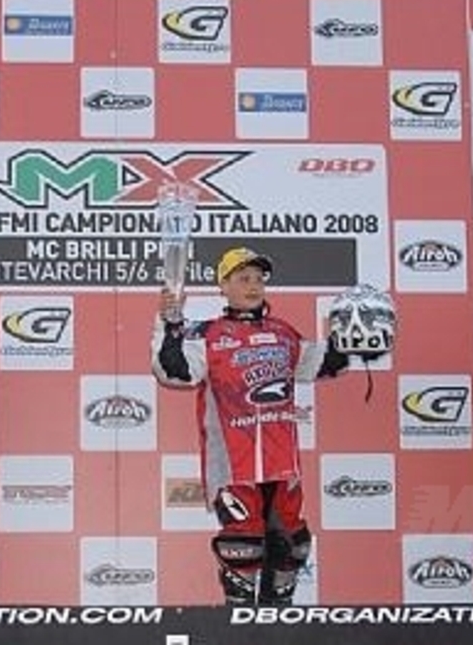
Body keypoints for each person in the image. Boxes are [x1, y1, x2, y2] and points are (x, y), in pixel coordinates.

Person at [150, 246, 392, 606]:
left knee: (292, 543)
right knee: (243, 543)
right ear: (223, 286)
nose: (253, 285)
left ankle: (280, 620)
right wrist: (168, 324)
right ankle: (239, 620)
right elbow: (173, 372)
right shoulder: (207, 335)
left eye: (258, 279)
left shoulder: (283, 333)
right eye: (242, 278)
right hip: (233, 465)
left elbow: (322, 363)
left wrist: (354, 341)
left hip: (282, 465)